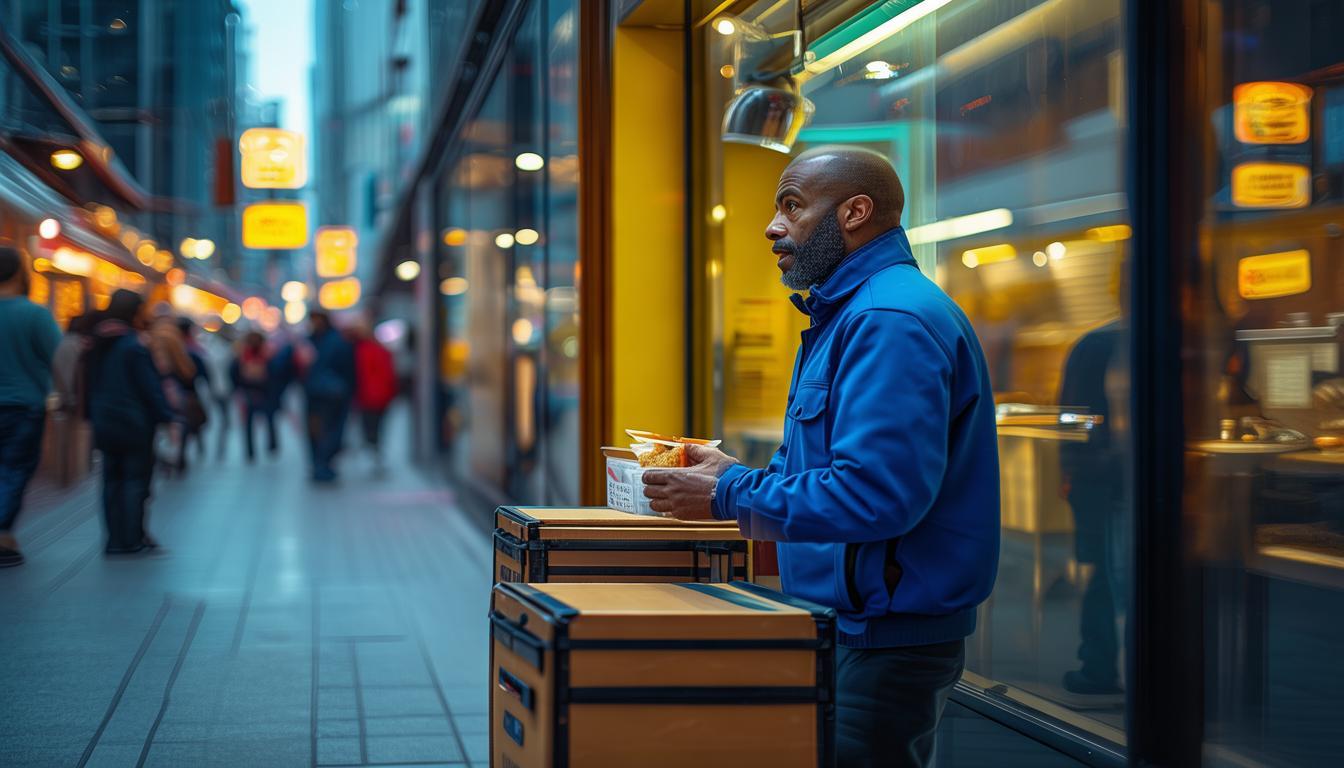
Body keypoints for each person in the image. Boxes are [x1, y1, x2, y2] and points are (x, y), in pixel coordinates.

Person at [642, 147, 1000, 768]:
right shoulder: (852, 314)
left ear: (855, 212)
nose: (772, 227)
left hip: (884, 639)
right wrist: (728, 475)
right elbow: (824, 473)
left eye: (792, 206)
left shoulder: (887, 318)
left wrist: (725, 495)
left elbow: (874, 496)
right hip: (852, 627)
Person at [1058, 316, 1130, 698]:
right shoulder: (1103, 344)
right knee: (1106, 570)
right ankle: (1100, 665)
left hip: (1099, 477)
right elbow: (1075, 421)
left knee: (1103, 570)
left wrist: (1075, 467)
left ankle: (1099, 667)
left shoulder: (1098, 343)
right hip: (1103, 479)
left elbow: (1073, 421)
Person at [85, 290, 174, 554]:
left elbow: (87, 385)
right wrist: (167, 417)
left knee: (111, 481)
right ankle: (132, 539)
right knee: (135, 481)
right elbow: (150, 388)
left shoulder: (97, 343)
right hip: (134, 423)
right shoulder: (134, 346)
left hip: (104, 422)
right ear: (134, 313)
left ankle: (114, 541)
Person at [0, 246, 62, 567]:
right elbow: (59, 357)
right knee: (14, 469)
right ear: (19, 273)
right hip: (24, 406)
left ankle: (5, 535)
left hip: (20, 405)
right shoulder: (34, 314)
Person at [303, 311, 355, 482]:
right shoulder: (311, 341)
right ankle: (321, 464)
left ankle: (322, 463)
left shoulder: (333, 341)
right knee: (320, 431)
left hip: (331, 395)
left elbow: (348, 368)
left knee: (329, 430)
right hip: (319, 394)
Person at [352, 322, 397, 468]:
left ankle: (372, 452)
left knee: (369, 427)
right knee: (378, 426)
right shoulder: (380, 350)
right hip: (381, 395)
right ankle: (375, 453)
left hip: (369, 396)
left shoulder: (361, 350)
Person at [230, 331, 277, 461]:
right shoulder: (246, 356)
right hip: (255, 392)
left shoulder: (245, 356)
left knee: (256, 422)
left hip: (258, 392)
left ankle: (259, 449)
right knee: (261, 421)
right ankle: (261, 448)